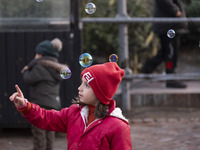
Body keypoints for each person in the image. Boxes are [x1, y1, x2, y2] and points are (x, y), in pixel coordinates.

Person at [10, 62, 132, 150]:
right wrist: (25, 106)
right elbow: (47, 118)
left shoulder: (118, 127)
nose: (80, 88)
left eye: (87, 85)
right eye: (81, 83)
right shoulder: (73, 113)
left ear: (101, 92)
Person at [21, 38, 68, 150]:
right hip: (53, 104)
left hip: (40, 103)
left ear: (42, 55)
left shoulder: (39, 66)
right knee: (50, 130)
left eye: (38, 53)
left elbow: (29, 79)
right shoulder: (57, 69)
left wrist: (26, 70)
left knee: (39, 130)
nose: (36, 56)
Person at [141, 0, 188, 88]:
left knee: (165, 52)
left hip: (170, 25)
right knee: (170, 54)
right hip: (168, 26)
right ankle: (170, 77)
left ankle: (148, 67)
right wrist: (176, 11)